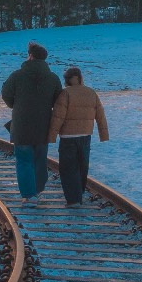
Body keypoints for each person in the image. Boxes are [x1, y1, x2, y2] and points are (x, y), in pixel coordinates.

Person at [1, 41, 61, 199]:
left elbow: (6, 95)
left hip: (22, 125)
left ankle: (28, 195)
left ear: (31, 56)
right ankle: (38, 189)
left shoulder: (17, 75)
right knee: (40, 159)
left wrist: (16, 105)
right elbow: (58, 101)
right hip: (43, 125)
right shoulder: (53, 78)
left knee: (24, 160)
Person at [48, 66, 109, 206]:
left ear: (67, 80)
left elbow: (58, 117)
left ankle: (73, 199)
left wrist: (51, 136)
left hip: (68, 137)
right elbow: (100, 115)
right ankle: (79, 193)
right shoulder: (91, 93)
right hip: (86, 135)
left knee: (68, 168)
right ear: (80, 78)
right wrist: (103, 134)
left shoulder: (65, 94)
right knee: (82, 166)